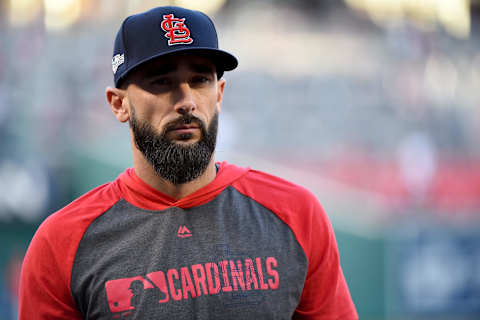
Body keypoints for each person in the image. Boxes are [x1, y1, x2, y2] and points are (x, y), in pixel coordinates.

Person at [19, 6, 358, 320]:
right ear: (119, 104)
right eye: (162, 82)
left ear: (220, 94)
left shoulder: (296, 215)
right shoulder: (61, 244)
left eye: (200, 80)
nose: (186, 101)